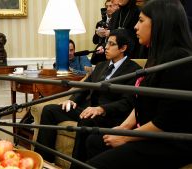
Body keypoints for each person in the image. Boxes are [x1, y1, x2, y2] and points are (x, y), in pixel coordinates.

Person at [85, 0, 192, 168]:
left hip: (170, 142)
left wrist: (126, 136)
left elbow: (166, 122)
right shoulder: (156, 57)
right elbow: (140, 102)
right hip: (152, 135)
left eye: (141, 21)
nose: (135, 26)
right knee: (94, 141)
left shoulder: (180, 60)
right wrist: (122, 128)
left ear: (159, 23)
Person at [34, 29, 141, 164]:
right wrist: (72, 101)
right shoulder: (102, 65)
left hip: (108, 116)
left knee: (87, 119)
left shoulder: (133, 70)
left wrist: (101, 109)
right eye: (107, 43)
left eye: (111, 44)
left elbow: (127, 103)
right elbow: (85, 87)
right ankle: (43, 162)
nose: (106, 47)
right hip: (89, 110)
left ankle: (76, 166)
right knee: (50, 110)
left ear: (123, 48)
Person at [91, 0, 119, 65]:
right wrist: (97, 34)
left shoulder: (118, 22)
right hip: (100, 53)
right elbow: (94, 41)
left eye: (110, 6)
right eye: (107, 7)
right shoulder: (100, 23)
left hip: (114, 51)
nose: (108, 9)